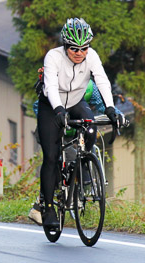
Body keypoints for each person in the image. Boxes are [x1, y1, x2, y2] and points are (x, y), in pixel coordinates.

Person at [36, 18, 123, 230]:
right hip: (51, 105)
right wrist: (58, 110)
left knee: (91, 126)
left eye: (84, 48)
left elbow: (101, 80)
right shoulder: (53, 57)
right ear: (65, 46)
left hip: (75, 101)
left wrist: (110, 108)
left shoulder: (91, 56)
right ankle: (47, 208)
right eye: (74, 48)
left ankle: (82, 162)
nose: (79, 53)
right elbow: (51, 86)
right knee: (50, 156)